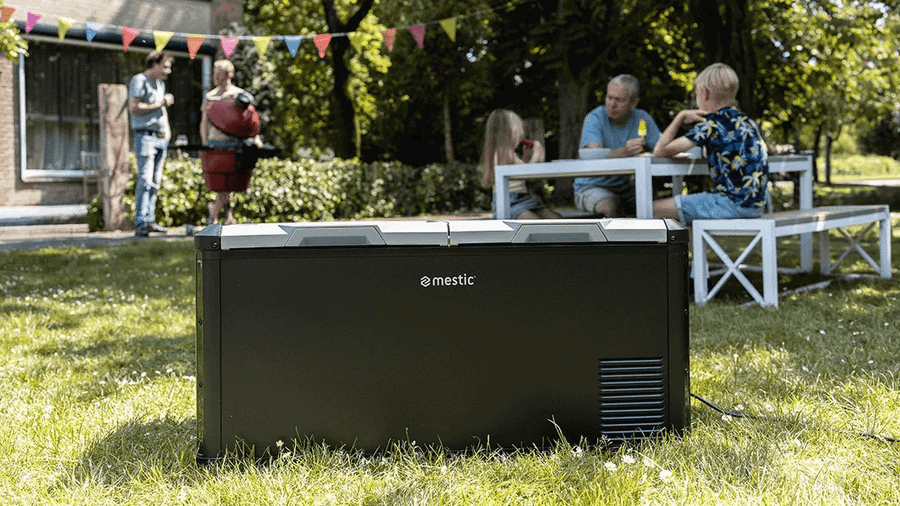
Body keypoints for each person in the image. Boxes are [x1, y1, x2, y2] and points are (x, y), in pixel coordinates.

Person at [652, 63, 769, 226]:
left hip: (731, 205)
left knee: (652, 209)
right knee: (688, 217)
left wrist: (681, 116)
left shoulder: (712, 125)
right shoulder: (748, 123)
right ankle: (692, 252)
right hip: (755, 207)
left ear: (704, 93)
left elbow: (660, 150)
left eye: (696, 94)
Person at [575, 74, 661, 217]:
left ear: (633, 103)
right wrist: (625, 152)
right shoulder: (594, 117)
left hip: (627, 187)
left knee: (657, 208)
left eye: (619, 100)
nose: (612, 104)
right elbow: (593, 157)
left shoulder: (642, 117)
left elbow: (662, 146)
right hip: (591, 186)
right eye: (609, 98)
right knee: (610, 207)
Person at [200, 60, 263, 225]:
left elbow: (250, 120)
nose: (217, 77)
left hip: (234, 143)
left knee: (228, 181)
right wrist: (204, 143)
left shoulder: (239, 94)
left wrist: (256, 138)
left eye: (220, 74)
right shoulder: (210, 96)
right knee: (222, 183)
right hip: (215, 142)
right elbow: (204, 122)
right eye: (215, 74)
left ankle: (215, 214)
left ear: (229, 75)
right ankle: (224, 217)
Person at [481, 110, 560, 219]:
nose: (521, 132)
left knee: (555, 218)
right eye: (518, 128)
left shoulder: (508, 153)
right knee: (533, 222)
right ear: (508, 131)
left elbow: (518, 174)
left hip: (523, 198)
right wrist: (537, 155)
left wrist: (526, 157)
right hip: (510, 201)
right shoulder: (503, 152)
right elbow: (526, 172)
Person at [129, 51, 175, 237]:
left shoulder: (160, 84)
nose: (168, 71)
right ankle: (141, 223)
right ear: (154, 64)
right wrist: (160, 103)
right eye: (165, 66)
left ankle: (150, 220)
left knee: (155, 182)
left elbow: (162, 110)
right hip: (145, 136)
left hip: (160, 137)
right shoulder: (139, 80)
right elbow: (134, 107)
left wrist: (168, 130)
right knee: (145, 180)